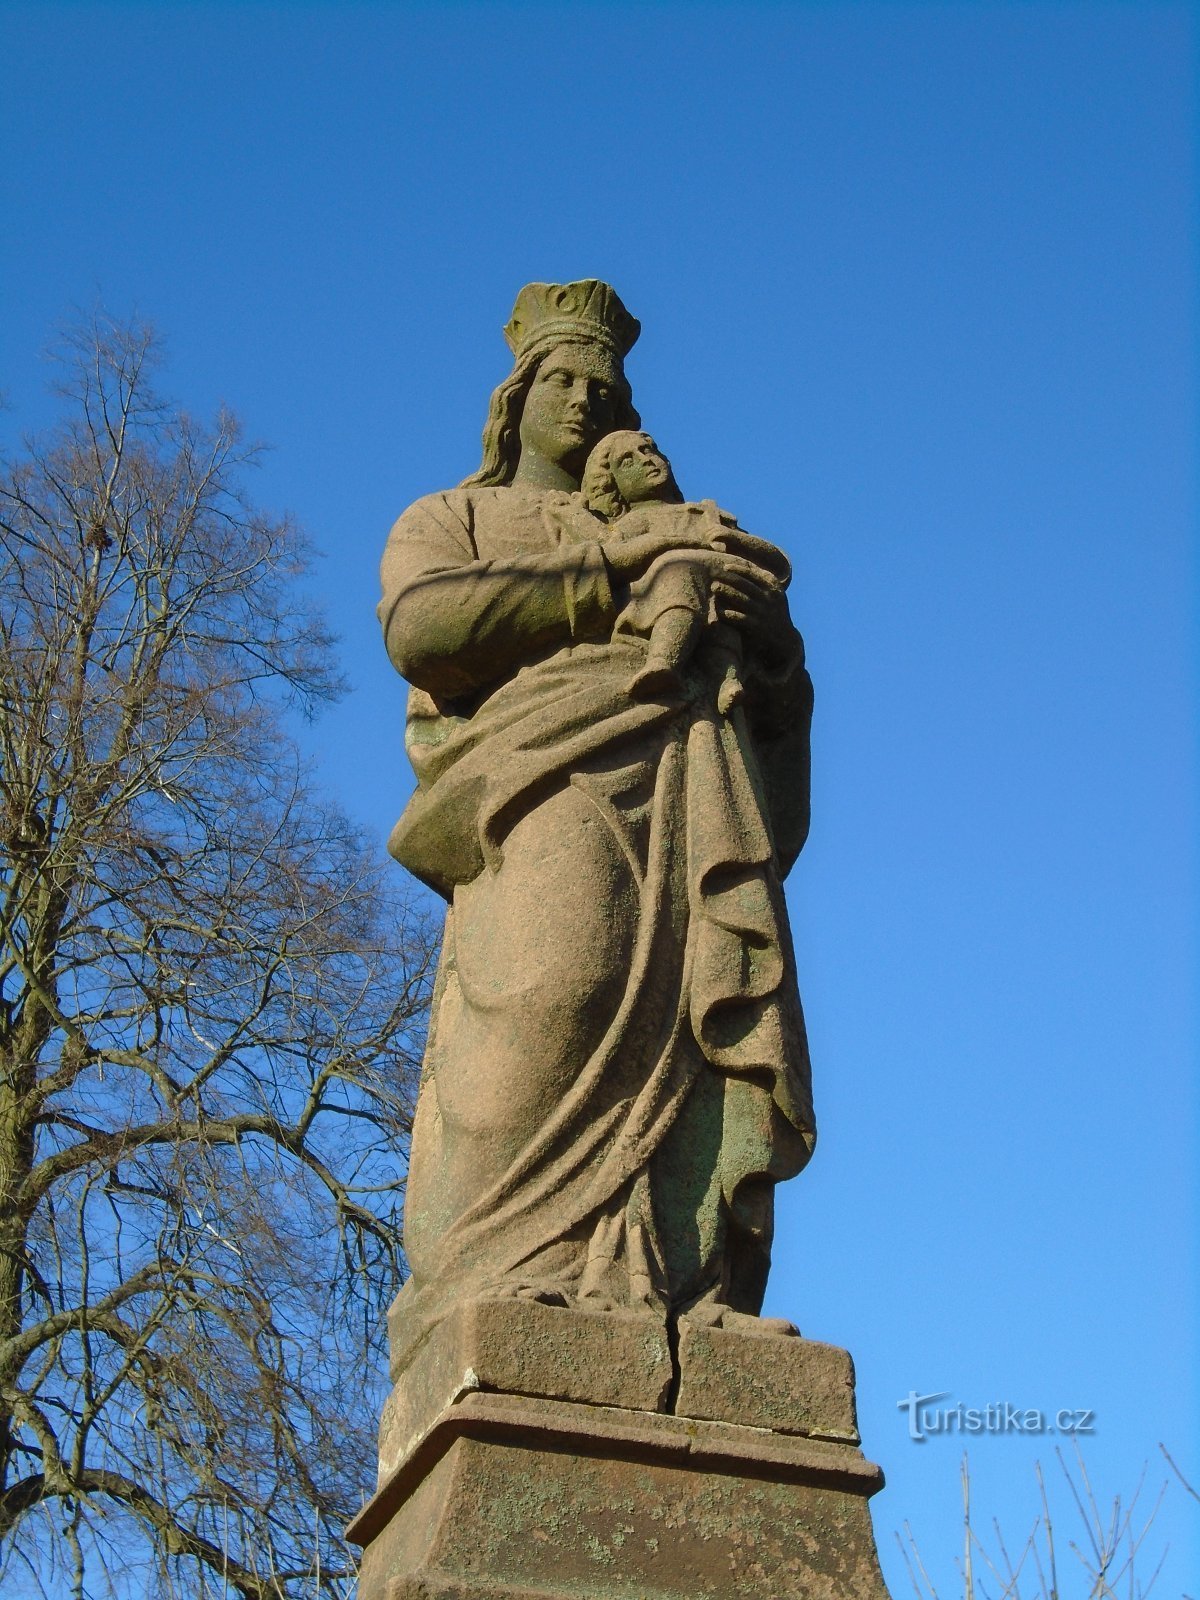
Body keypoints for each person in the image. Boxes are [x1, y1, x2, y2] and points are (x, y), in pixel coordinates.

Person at [378, 281, 816, 1367]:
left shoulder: (671, 518)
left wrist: (775, 655)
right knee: (554, 986)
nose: (584, 400)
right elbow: (422, 628)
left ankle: (687, 1273)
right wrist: (603, 572)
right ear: (515, 396)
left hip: (691, 767)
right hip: (547, 769)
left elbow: (771, 689)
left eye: (603, 386)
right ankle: (496, 1269)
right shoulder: (454, 517)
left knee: (698, 1009)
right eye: (562, 380)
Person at [579, 428, 792, 710]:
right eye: (627, 461)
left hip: (718, 574)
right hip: (669, 583)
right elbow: (617, 559)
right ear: (612, 485)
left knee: (723, 614)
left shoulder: (706, 513)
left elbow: (776, 563)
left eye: (649, 450)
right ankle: (663, 661)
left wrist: (732, 539)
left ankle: (728, 679)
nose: (645, 460)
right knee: (680, 574)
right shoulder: (633, 524)